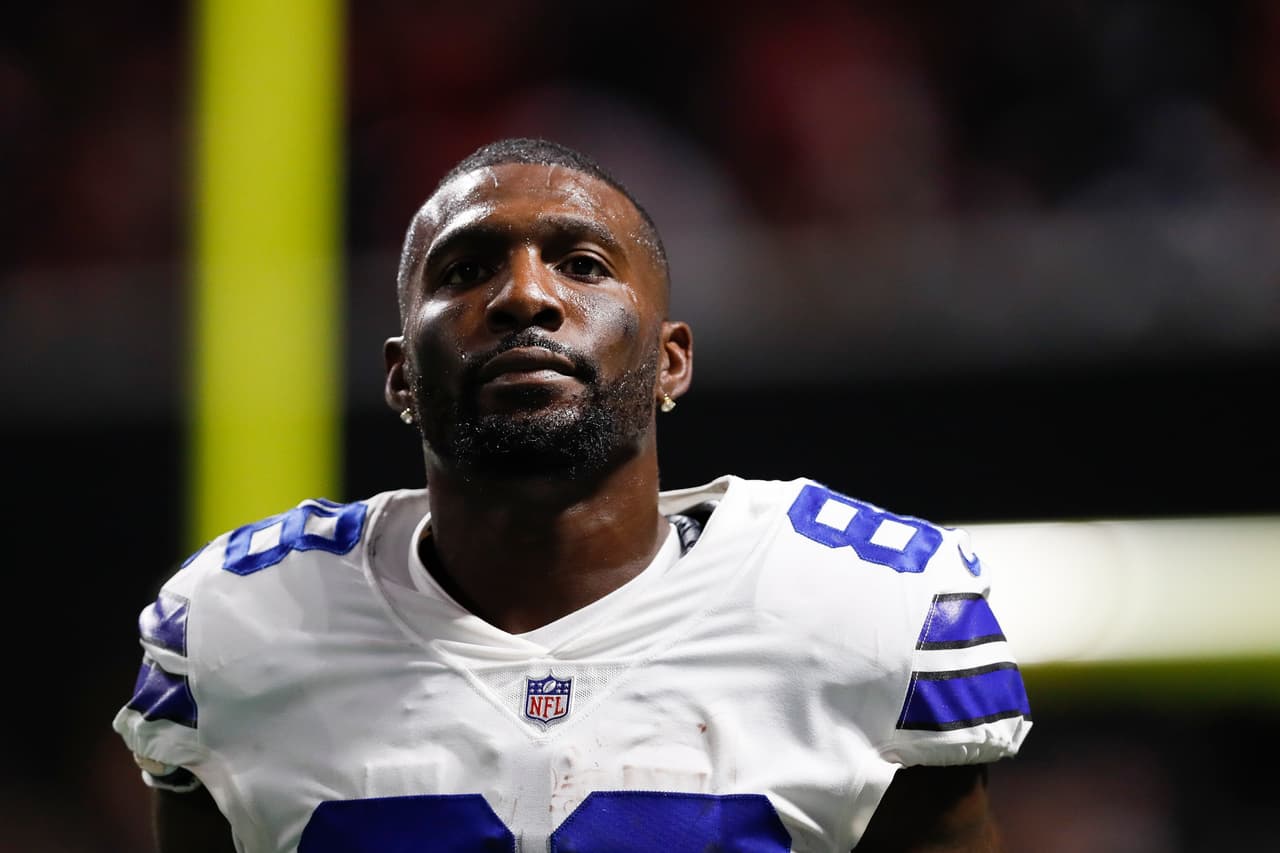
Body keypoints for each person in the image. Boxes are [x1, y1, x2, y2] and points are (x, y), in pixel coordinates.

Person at [112, 137, 1032, 852]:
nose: (524, 297)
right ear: (399, 376)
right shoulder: (241, 626)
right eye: (466, 269)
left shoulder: (858, 608)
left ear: (671, 359)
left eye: (583, 264)